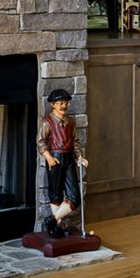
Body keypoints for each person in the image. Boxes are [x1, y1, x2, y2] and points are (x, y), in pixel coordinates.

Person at [36, 88, 88, 238]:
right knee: (55, 193)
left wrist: (79, 157)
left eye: (66, 103)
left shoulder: (71, 122)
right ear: (53, 104)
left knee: (74, 196)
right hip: (55, 158)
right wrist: (48, 157)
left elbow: (75, 142)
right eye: (60, 103)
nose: (64, 106)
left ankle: (52, 220)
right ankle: (57, 227)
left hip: (69, 159)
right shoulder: (47, 122)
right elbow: (41, 141)